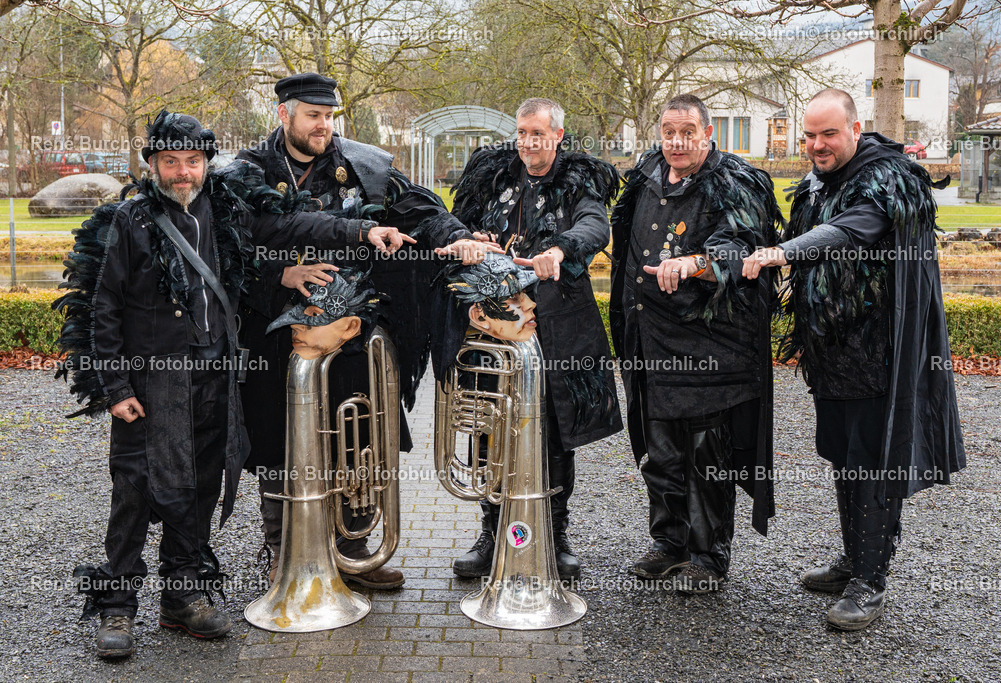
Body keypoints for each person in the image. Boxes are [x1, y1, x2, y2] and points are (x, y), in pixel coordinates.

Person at [53, 110, 408, 659]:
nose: (182, 173)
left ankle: (183, 596)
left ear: (205, 163)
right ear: (152, 164)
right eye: (170, 162)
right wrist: (115, 387)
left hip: (214, 378)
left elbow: (292, 226)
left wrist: (362, 229)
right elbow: (104, 309)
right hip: (151, 384)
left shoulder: (227, 206)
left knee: (197, 489)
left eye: (192, 162)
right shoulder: (130, 219)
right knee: (134, 494)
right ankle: (117, 607)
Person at [236, 72, 499, 590]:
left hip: (353, 329)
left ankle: (352, 546)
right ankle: (283, 548)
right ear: (283, 114)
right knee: (278, 441)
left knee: (357, 437)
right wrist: (280, 272)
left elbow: (421, 210)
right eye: (313, 115)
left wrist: (460, 237)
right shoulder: (249, 169)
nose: (324, 126)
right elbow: (246, 238)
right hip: (274, 331)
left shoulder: (362, 163)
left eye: (330, 116)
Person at [742, 88, 966, 629]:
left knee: (873, 459)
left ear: (855, 128)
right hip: (832, 353)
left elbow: (848, 232)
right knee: (844, 455)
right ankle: (852, 561)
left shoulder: (887, 177)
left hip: (880, 354)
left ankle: (871, 581)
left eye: (828, 134)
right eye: (810, 136)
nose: (817, 145)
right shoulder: (819, 184)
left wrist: (786, 252)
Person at [610, 93, 780, 593]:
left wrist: (696, 263)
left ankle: (709, 556)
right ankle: (669, 544)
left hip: (709, 347)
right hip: (649, 339)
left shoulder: (735, 181)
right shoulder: (645, 177)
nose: (677, 142)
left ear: (709, 134)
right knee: (659, 447)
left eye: (687, 132)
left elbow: (741, 246)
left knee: (707, 453)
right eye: (668, 131)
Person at [448, 98, 622, 581]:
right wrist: (470, 236)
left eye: (537, 134)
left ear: (558, 135)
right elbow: (458, 220)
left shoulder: (579, 179)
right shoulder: (494, 173)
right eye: (522, 133)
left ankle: (555, 532)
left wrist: (561, 247)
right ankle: (490, 531)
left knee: (553, 431)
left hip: (556, 325)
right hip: (493, 325)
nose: (527, 143)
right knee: (488, 426)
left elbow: (595, 224)